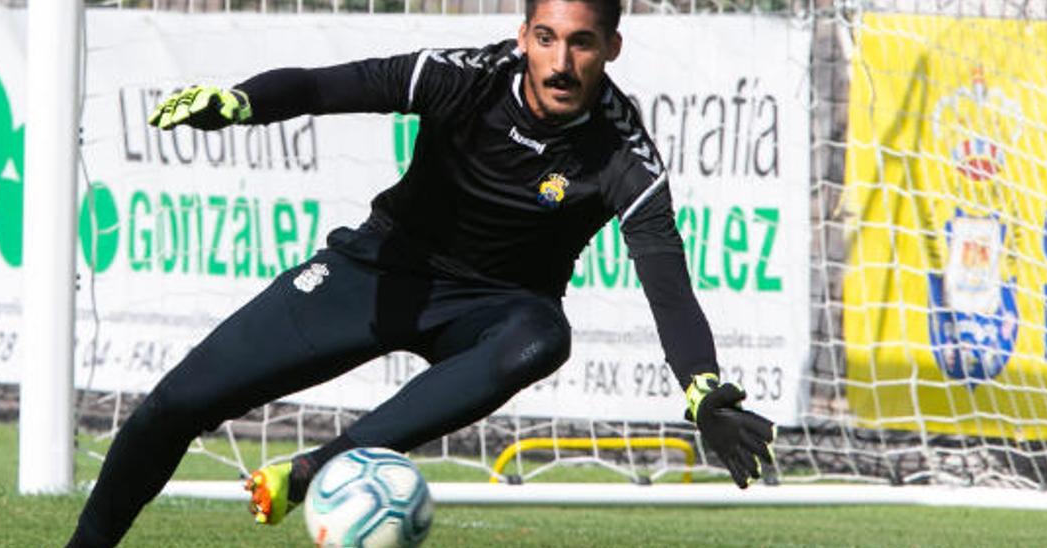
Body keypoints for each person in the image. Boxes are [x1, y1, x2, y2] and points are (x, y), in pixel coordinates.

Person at [68, 0, 775, 545]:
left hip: (495, 312)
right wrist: (242, 104)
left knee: (543, 336)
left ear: (611, 48)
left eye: (582, 42)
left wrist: (701, 388)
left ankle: (317, 470)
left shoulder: (624, 155)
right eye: (547, 38)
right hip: (377, 273)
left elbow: (668, 283)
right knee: (173, 407)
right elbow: (321, 86)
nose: (562, 62)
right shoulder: (461, 79)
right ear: (525, 35)